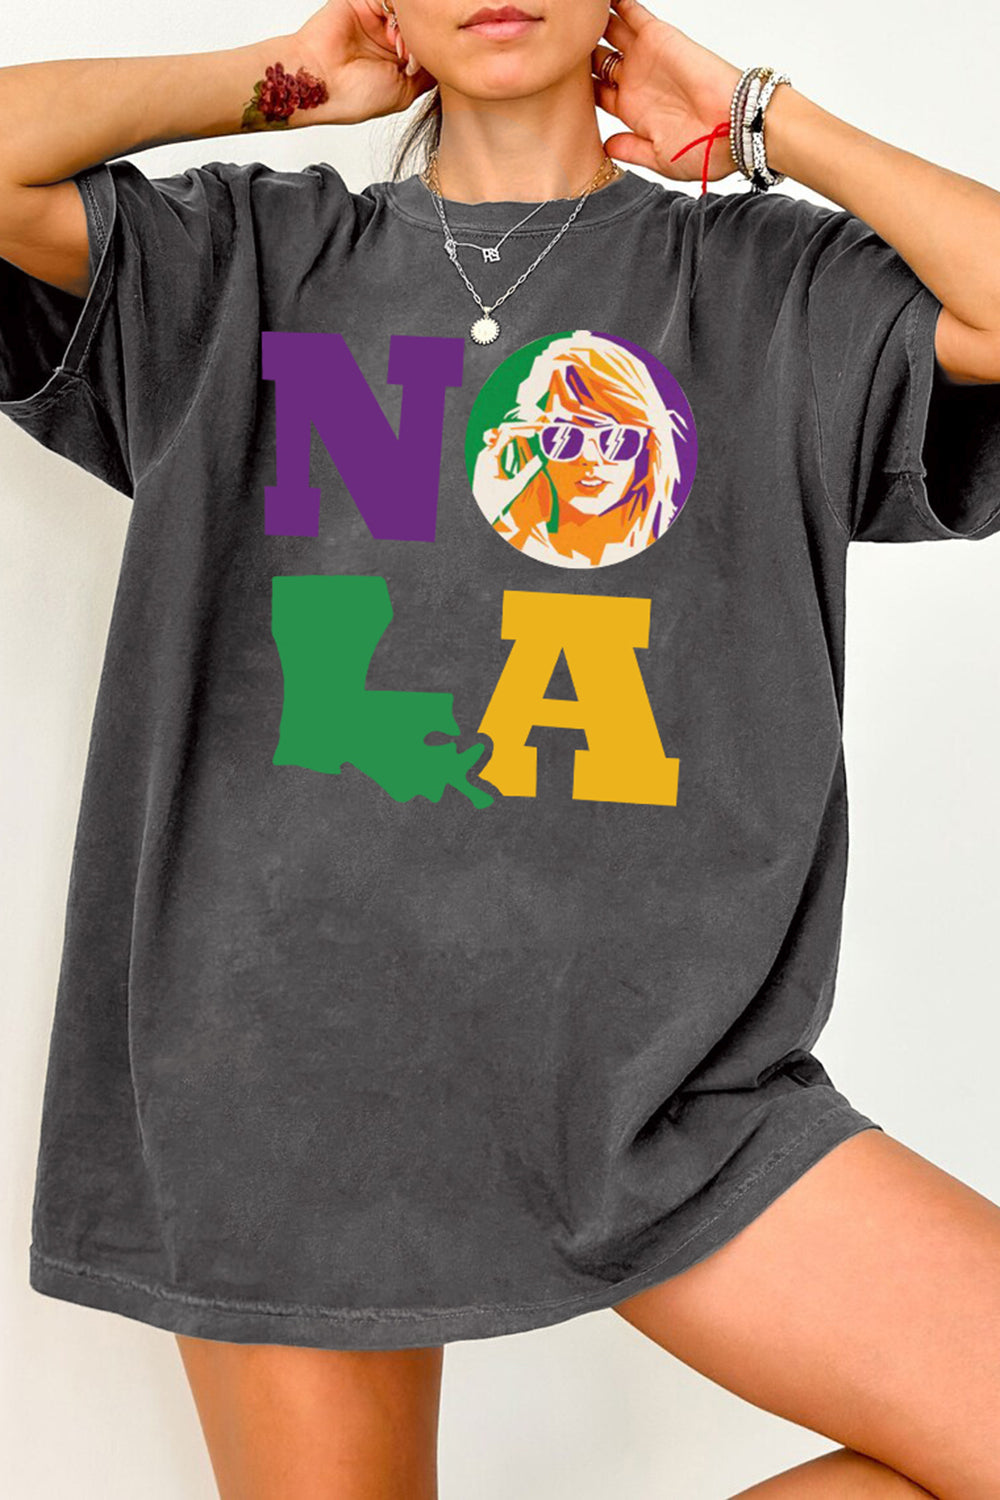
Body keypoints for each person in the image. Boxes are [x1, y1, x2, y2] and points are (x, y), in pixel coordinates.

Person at [2, 0, 1000, 1494]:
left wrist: (762, 120)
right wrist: (271, 85)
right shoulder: (245, 260)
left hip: (668, 1093)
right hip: (285, 1083)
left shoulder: (767, 286)